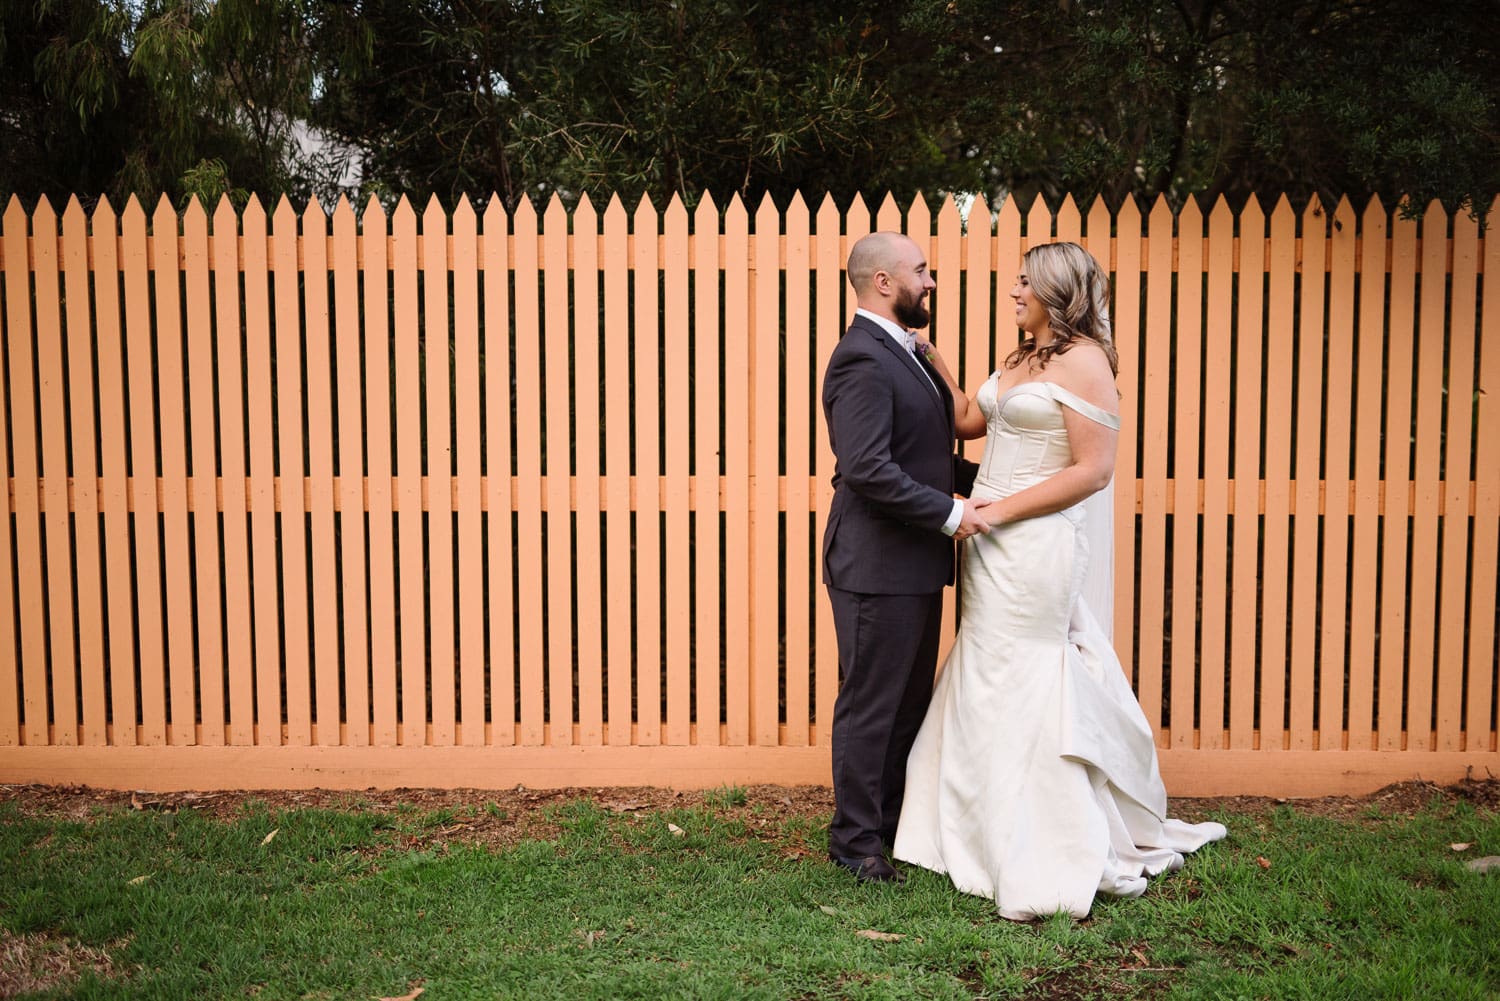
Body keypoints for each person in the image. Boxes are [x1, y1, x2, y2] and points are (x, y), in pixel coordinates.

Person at [893, 241, 1227, 919]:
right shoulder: (1021, 358)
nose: (1013, 291)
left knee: (1027, 673)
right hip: (985, 541)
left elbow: (1092, 471)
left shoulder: (1086, 363)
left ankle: (1042, 835)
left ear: (1057, 291)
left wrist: (995, 513)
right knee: (985, 668)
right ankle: (973, 824)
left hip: (1033, 540)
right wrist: (931, 358)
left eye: (1024, 283)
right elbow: (966, 419)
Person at [821, 231, 993, 884]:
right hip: (875, 562)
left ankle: (890, 828)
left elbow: (924, 457)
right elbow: (866, 466)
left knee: (907, 703)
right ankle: (855, 844)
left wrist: (995, 487)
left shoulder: (908, 353)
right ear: (884, 282)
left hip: (914, 561)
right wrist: (952, 513)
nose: (932, 282)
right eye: (922, 271)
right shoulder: (859, 358)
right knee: (873, 703)